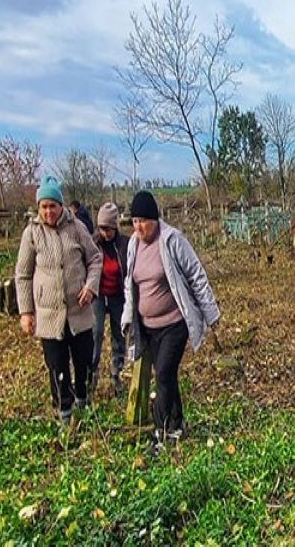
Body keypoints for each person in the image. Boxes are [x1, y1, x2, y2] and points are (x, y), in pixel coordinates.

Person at [120, 191, 220, 453]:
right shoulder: (133, 245)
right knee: (166, 376)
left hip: (175, 323)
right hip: (148, 326)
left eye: (144, 221)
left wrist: (210, 313)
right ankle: (177, 424)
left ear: (155, 219)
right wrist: (128, 317)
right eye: (135, 221)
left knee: (162, 372)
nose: (139, 227)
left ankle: (160, 433)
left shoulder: (172, 240)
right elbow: (130, 285)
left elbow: (196, 274)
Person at [15, 176, 102, 426]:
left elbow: (95, 259)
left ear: (61, 206)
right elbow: (22, 274)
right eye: (44, 206)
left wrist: (90, 287)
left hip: (79, 309)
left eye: (53, 205)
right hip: (49, 313)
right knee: (56, 364)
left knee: (83, 359)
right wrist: (26, 312)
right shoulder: (32, 234)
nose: (49, 211)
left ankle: (84, 402)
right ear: (38, 208)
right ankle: (64, 411)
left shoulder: (77, 228)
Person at [91, 202, 128, 396]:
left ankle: (116, 373)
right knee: (95, 333)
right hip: (97, 295)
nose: (105, 233)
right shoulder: (92, 244)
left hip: (117, 295)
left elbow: (129, 271)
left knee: (118, 333)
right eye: (101, 228)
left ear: (115, 227)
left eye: (109, 228)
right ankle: (92, 375)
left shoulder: (124, 245)